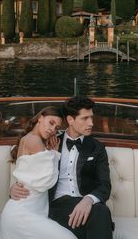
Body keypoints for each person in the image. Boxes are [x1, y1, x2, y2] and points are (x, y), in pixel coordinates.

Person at [10, 96, 113, 239]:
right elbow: (28, 166)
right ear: (70, 120)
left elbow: (104, 185)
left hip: (85, 204)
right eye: (85, 118)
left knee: (100, 212)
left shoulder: (97, 148)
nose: (91, 123)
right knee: (100, 216)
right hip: (56, 205)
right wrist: (14, 187)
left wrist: (88, 200)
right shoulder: (50, 140)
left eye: (91, 118)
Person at [1, 106, 77, 239]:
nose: (52, 130)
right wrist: (54, 154)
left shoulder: (30, 139)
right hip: (22, 215)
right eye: (51, 123)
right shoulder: (34, 141)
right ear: (40, 118)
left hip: (26, 212)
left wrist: (50, 153)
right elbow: (47, 182)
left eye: (57, 128)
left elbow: (27, 177)